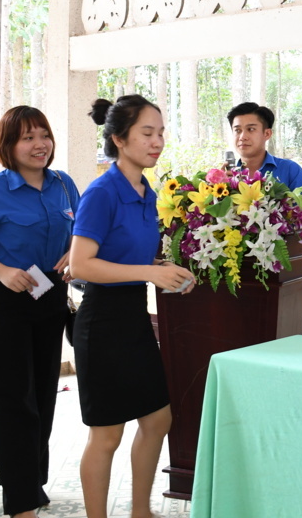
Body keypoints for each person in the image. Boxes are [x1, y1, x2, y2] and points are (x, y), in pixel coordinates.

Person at [69, 95, 196, 518]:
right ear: (119, 139)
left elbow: (128, 256)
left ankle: (141, 510)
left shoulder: (146, 192)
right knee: (107, 435)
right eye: (147, 133)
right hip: (102, 323)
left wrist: (165, 269)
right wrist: (148, 272)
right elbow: (81, 264)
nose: (157, 141)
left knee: (158, 421)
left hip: (134, 320)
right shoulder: (102, 192)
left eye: (160, 133)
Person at [0, 106, 79, 518]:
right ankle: (20, 499)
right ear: (8, 145)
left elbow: (79, 231)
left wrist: (73, 253)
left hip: (50, 295)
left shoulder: (63, 185)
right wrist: (3, 271)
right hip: (5, 300)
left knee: (42, 394)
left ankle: (31, 481)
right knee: (11, 400)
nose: (40, 145)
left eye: (44, 135)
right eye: (28, 138)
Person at [226, 101, 302, 189]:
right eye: (237, 130)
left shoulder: (290, 170)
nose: (242, 137)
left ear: (267, 134)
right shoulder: (226, 176)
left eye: (251, 129)